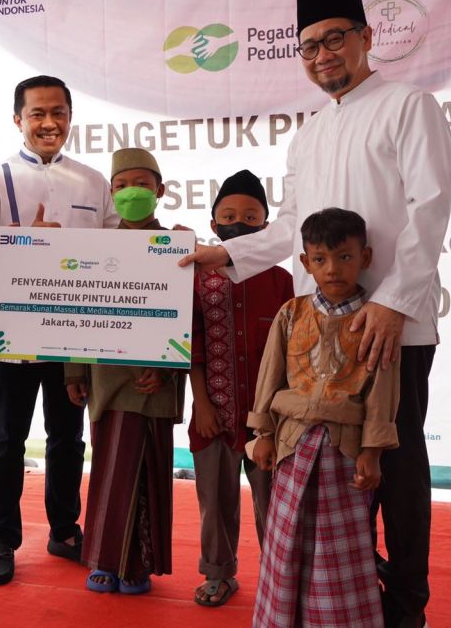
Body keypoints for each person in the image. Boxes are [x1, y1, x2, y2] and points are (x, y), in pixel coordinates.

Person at [179, 0, 451, 627]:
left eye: (335, 38)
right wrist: (225, 253)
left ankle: (405, 607)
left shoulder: (409, 105)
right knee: (333, 470)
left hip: (390, 327)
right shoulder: (308, 133)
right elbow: (292, 226)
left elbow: (430, 207)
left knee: (394, 463)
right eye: (309, 46)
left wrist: (393, 303)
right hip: (318, 335)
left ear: (365, 37)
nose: (323, 54)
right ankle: (348, 598)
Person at [0, 75, 121, 585]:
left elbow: (119, 249)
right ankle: (1, 540)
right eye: (37, 113)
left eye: (58, 113)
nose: (49, 123)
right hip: (13, 334)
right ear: (18, 119)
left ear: (70, 118)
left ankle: (65, 530)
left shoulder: (93, 181)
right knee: (5, 439)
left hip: (73, 334)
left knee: (68, 438)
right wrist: (20, 244)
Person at [249, 207, 399, 628]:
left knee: (337, 549)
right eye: (320, 259)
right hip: (291, 445)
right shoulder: (291, 313)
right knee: (285, 540)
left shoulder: (375, 320)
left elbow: (382, 391)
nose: (332, 269)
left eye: (344, 257)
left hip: (343, 451)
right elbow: (270, 376)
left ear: (365, 258)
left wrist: (372, 452)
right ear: (306, 262)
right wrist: (262, 433)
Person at [63, 148, 186, 596]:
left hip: (154, 382)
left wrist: (167, 370)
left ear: (160, 190)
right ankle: (104, 561)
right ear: (111, 194)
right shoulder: (97, 246)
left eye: (142, 185)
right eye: (121, 186)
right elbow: (77, 309)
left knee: (149, 472)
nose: (132, 193)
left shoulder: (178, 247)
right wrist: (74, 372)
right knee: (110, 470)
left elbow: (186, 316)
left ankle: (137, 566)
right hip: (107, 379)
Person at [188, 169, 294, 608]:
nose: (239, 224)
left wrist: (277, 419)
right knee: (214, 503)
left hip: (271, 422)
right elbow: (191, 346)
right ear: (213, 225)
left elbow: (292, 352)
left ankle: (278, 580)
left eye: (250, 217)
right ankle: (218, 575)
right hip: (213, 415)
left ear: (266, 227)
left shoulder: (283, 281)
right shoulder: (197, 280)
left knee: (275, 504)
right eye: (229, 216)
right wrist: (202, 404)